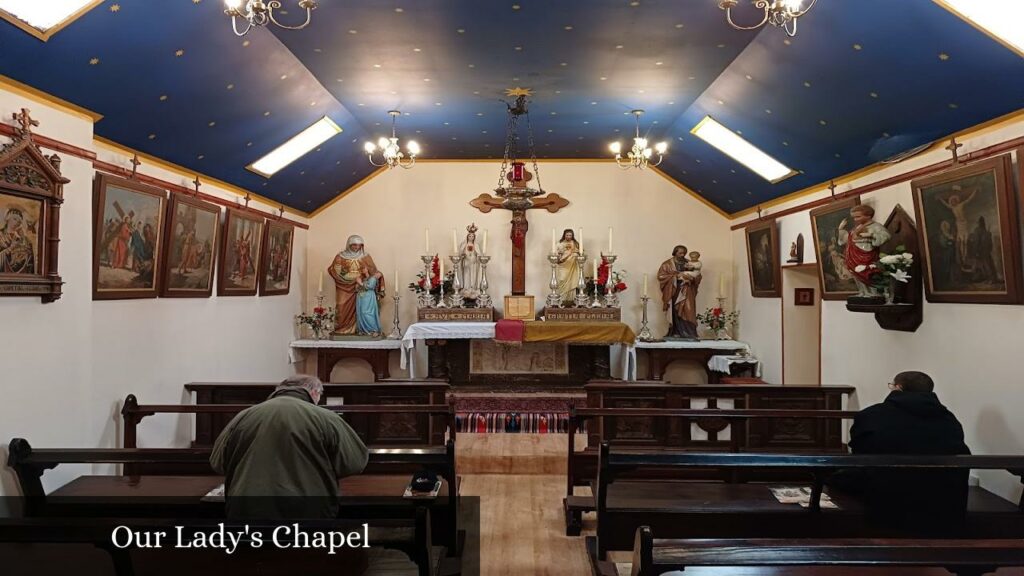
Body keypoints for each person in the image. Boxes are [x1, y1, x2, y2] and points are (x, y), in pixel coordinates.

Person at [210, 375, 369, 519]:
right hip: (308, 509)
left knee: (254, 551)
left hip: (247, 507)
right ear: (314, 393)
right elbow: (354, 462)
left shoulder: (243, 416)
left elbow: (218, 462)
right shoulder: (326, 418)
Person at [833, 371, 970, 535]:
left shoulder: (872, 415)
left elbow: (859, 454)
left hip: (886, 495)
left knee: (836, 477)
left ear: (898, 388)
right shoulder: (949, 419)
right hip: (942, 495)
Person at [328, 234, 384, 335]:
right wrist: (349, 276)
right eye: (354, 245)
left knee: (364, 311)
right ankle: (342, 329)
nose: (357, 247)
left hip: (362, 289)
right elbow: (335, 271)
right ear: (349, 245)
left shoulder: (365, 256)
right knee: (341, 307)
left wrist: (375, 275)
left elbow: (373, 272)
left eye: (359, 245)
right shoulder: (340, 256)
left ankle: (361, 329)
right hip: (344, 286)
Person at [838, 205, 890, 298]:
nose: (855, 219)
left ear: (868, 216)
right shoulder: (856, 228)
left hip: (867, 254)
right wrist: (841, 230)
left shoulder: (875, 226)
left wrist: (871, 235)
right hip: (854, 255)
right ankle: (863, 292)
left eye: (858, 216)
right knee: (856, 273)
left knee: (868, 272)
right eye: (854, 217)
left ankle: (873, 293)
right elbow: (847, 239)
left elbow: (885, 236)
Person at [657, 245, 701, 340]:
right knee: (675, 311)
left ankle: (689, 332)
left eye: (684, 253)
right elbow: (661, 276)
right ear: (675, 252)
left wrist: (692, 278)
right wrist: (675, 277)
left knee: (689, 310)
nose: (682, 255)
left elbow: (698, 275)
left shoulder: (689, 263)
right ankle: (676, 332)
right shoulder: (667, 264)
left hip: (687, 290)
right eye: (680, 253)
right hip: (674, 290)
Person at [554, 228, 581, 305]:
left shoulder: (576, 244)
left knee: (572, 282)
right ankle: (562, 300)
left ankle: (570, 301)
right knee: (562, 279)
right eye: (567, 235)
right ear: (564, 235)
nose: (568, 236)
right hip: (563, 265)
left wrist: (576, 253)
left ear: (572, 236)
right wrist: (559, 255)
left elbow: (581, 252)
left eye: (570, 235)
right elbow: (555, 253)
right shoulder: (560, 243)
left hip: (572, 266)